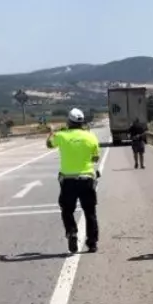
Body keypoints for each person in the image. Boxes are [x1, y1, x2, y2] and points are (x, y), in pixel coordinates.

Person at [46, 107, 101, 254]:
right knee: (90, 212)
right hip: (87, 179)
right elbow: (96, 158)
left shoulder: (62, 136)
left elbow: (49, 144)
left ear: (69, 122)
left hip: (68, 180)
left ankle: (72, 232)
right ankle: (92, 243)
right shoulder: (91, 137)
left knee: (67, 210)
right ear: (82, 122)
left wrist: (51, 131)